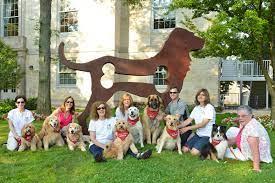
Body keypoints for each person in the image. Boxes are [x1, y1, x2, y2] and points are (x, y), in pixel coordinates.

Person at [225, 105, 272, 172]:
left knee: (223, 152)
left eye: (243, 116)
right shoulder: (249, 122)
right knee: (231, 131)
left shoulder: (252, 131)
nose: (240, 118)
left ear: (250, 115)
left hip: (252, 155)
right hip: (247, 147)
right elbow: (238, 138)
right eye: (239, 116)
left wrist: (256, 168)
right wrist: (222, 143)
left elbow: (255, 150)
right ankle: (223, 145)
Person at [178, 88, 216, 156]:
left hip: (207, 136)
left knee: (194, 153)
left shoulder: (209, 108)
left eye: (203, 95)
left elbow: (203, 124)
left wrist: (187, 128)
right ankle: (198, 146)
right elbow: (188, 121)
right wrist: (176, 127)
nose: (200, 96)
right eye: (199, 94)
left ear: (206, 97)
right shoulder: (196, 108)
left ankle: (209, 148)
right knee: (184, 149)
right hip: (198, 135)